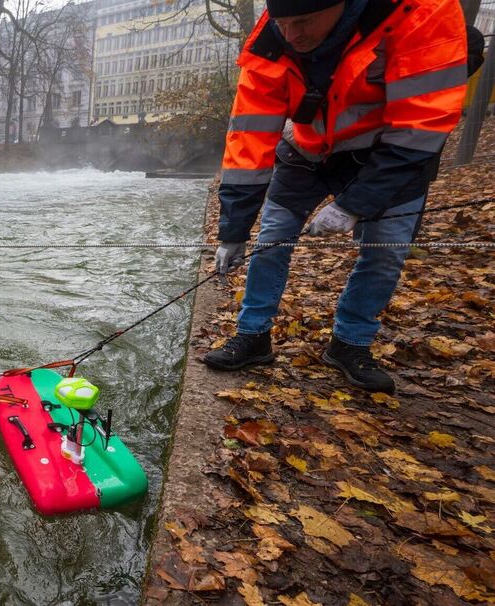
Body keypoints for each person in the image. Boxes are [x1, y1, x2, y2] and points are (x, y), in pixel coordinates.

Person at [202, 0, 471, 394]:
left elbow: (421, 127)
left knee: (385, 251)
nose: (292, 35)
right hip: (305, 150)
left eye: (304, 21)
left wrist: (353, 205)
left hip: (392, 154)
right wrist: (233, 231)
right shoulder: (267, 44)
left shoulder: (420, 14)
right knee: (272, 237)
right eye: (283, 23)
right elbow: (248, 142)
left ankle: (351, 343)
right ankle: (252, 335)